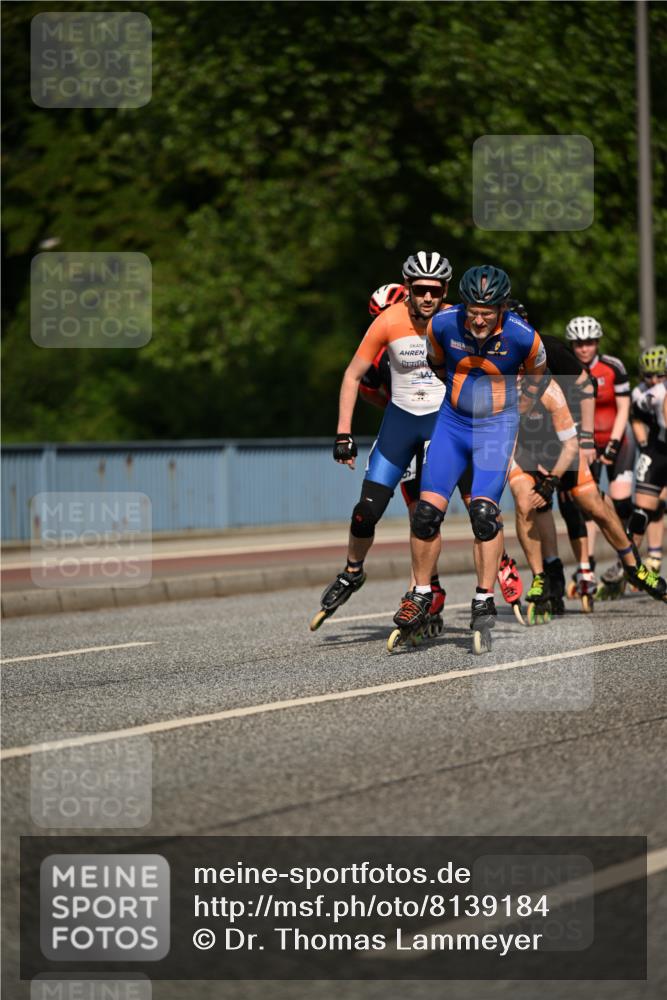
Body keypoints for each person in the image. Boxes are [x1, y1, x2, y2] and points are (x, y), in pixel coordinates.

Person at [404, 264, 549, 653]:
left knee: (484, 516)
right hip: (452, 426)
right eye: (473, 310)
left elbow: (539, 377)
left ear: (503, 308)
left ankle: (484, 597)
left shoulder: (523, 336)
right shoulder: (443, 325)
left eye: (488, 311)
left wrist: (516, 410)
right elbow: (437, 365)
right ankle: (420, 592)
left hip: (495, 429)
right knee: (425, 514)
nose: (479, 319)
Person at [312, 252, 452, 628]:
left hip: (440, 426)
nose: (427, 297)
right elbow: (352, 375)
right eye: (420, 289)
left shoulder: (455, 321)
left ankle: (421, 593)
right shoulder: (388, 321)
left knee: (425, 517)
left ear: (444, 291)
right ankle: (352, 571)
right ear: (407, 288)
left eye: (434, 290)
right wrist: (343, 433)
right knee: (365, 512)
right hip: (400, 424)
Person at [565, 316, 634, 589]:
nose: (584, 348)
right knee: (589, 507)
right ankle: (588, 566)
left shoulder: (612, 367)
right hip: (586, 445)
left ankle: (628, 560)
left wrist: (614, 444)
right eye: (579, 343)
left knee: (621, 504)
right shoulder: (566, 369)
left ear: (598, 343)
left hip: (617, 440)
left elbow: (624, 409)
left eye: (589, 343)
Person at [627, 346, 667, 575]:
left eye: (659, 375)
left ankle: (654, 552)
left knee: (659, 502)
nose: (654, 380)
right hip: (655, 448)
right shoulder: (639, 393)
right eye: (649, 375)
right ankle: (637, 559)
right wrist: (643, 446)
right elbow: (636, 419)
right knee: (644, 506)